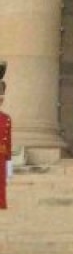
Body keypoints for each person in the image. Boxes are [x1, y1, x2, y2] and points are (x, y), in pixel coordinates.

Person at [1, 71, 11, 210]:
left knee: (1, 182)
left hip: (1, 156)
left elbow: (8, 142)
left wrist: (9, 166)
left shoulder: (6, 118)